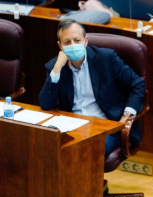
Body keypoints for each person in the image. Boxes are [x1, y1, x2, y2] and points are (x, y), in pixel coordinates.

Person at [39, 19, 145, 158]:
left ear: (86, 40)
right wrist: (57, 69)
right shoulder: (55, 66)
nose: (73, 45)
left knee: (88, 152)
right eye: (67, 42)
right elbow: (46, 104)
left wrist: (126, 115)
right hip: (73, 126)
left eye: (77, 40)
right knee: (47, 147)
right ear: (60, 46)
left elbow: (137, 84)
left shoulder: (106, 58)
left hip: (105, 127)